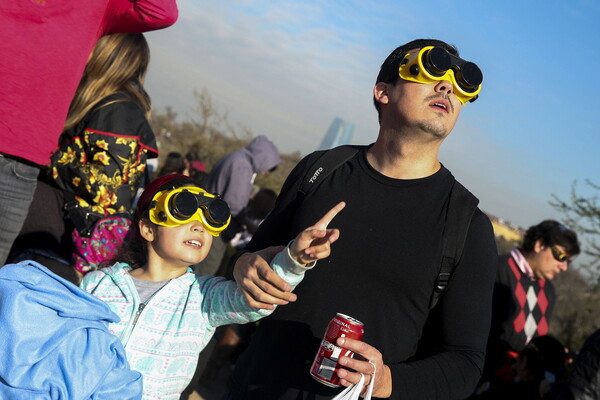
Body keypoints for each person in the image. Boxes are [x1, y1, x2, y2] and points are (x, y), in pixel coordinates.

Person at [225, 39, 498, 399]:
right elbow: (253, 256)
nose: (447, 87)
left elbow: (465, 363)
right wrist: (244, 265)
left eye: (458, 83)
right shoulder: (320, 169)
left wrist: (386, 381)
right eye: (432, 71)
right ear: (383, 92)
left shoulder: (468, 225)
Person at [80, 173, 345, 400]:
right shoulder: (99, 283)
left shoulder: (204, 297)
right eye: (183, 213)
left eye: (208, 221)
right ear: (148, 229)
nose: (199, 227)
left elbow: (254, 298)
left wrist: (294, 260)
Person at [0, 0, 178, 266]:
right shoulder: (96, 103)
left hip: (75, 231)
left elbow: (103, 185)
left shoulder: (120, 110)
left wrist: (51, 161)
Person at [44, 33, 158, 276]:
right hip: (72, 228)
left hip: (82, 241)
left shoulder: (119, 111)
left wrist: (46, 157)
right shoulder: (106, 103)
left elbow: (102, 185)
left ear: (109, 54)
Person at [482, 220, 580, 389]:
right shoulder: (495, 270)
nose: (564, 267)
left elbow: (534, 339)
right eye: (561, 256)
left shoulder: (549, 291)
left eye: (568, 261)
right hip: (480, 380)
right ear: (539, 245)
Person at [197, 135, 280, 276]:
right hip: (216, 226)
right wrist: (253, 227)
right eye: (267, 168)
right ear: (263, 157)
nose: (264, 172)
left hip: (205, 217)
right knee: (205, 273)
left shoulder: (235, 157)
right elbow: (234, 206)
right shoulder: (243, 167)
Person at [472, 335, 566, 400]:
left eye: (518, 358)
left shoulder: (504, 394)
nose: (514, 365)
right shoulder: (565, 394)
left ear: (524, 362)